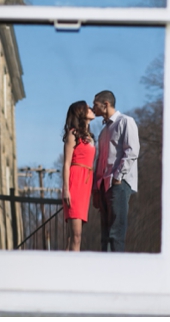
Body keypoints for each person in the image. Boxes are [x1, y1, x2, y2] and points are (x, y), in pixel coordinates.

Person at [92, 90, 139, 252]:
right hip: (104, 186)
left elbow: (132, 151)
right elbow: (100, 161)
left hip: (118, 185)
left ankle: (118, 271)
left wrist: (118, 177)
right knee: (105, 236)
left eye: (95, 105)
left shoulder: (125, 122)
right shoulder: (103, 131)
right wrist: (96, 190)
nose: (93, 108)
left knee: (116, 234)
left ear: (105, 105)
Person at [61, 101, 95, 251]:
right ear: (81, 113)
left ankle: (64, 267)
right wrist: (66, 189)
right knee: (76, 235)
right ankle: (73, 268)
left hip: (86, 183)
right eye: (88, 108)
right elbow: (67, 163)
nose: (91, 109)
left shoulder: (90, 136)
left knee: (72, 237)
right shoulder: (72, 134)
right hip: (75, 182)